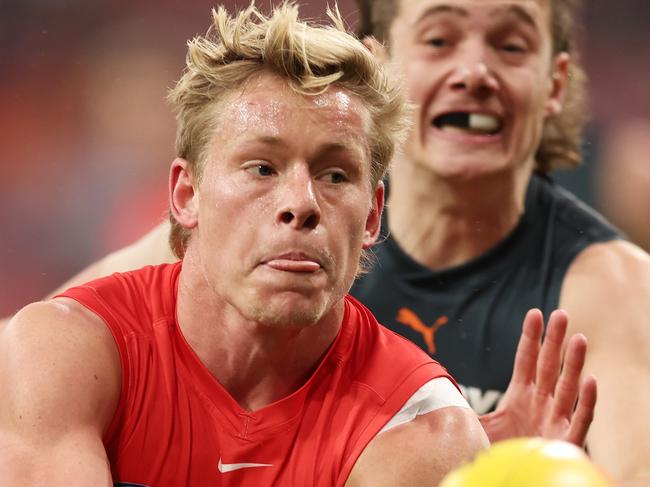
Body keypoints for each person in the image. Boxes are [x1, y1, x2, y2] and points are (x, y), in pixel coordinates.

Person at [0, 2, 598, 485]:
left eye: (336, 175)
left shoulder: (424, 433)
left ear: (371, 216)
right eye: (261, 167)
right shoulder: (64, 354)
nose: (301, 203)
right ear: (186, 195)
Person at [350, 0, 650, 484]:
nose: (474, 72)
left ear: (554, 82)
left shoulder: (621, 293)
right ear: (377, 68)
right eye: (439, 40)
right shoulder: (288, 240)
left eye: (510, 46)